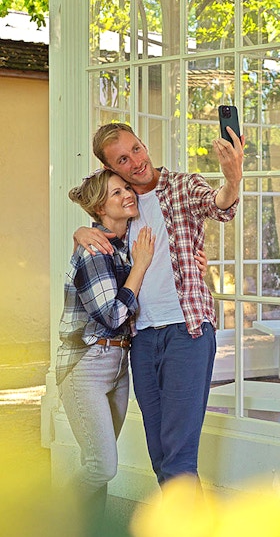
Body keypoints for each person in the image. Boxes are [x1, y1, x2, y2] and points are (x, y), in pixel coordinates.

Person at [74, 121, 244, 488]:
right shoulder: (123, 209)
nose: (135, 161)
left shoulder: (183, 185)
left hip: (188, 331)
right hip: (142, 339)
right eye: (122, 158)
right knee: (161, 456)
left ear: (143, 145)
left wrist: (232, 180)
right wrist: (82, 230)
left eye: (136, 149)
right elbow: (93, 211)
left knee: (179, 457)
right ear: (110, 169)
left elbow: (218, 205)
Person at [56, 168, 156, 533]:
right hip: (87, 364)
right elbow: (113, 315)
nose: (128, 194)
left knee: (95, 461)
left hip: (117, 364)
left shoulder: (121, 244)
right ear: (100, 206)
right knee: (102, 466)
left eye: (127, 188)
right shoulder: (94, 251)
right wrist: (141, 267)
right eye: (117, 193)